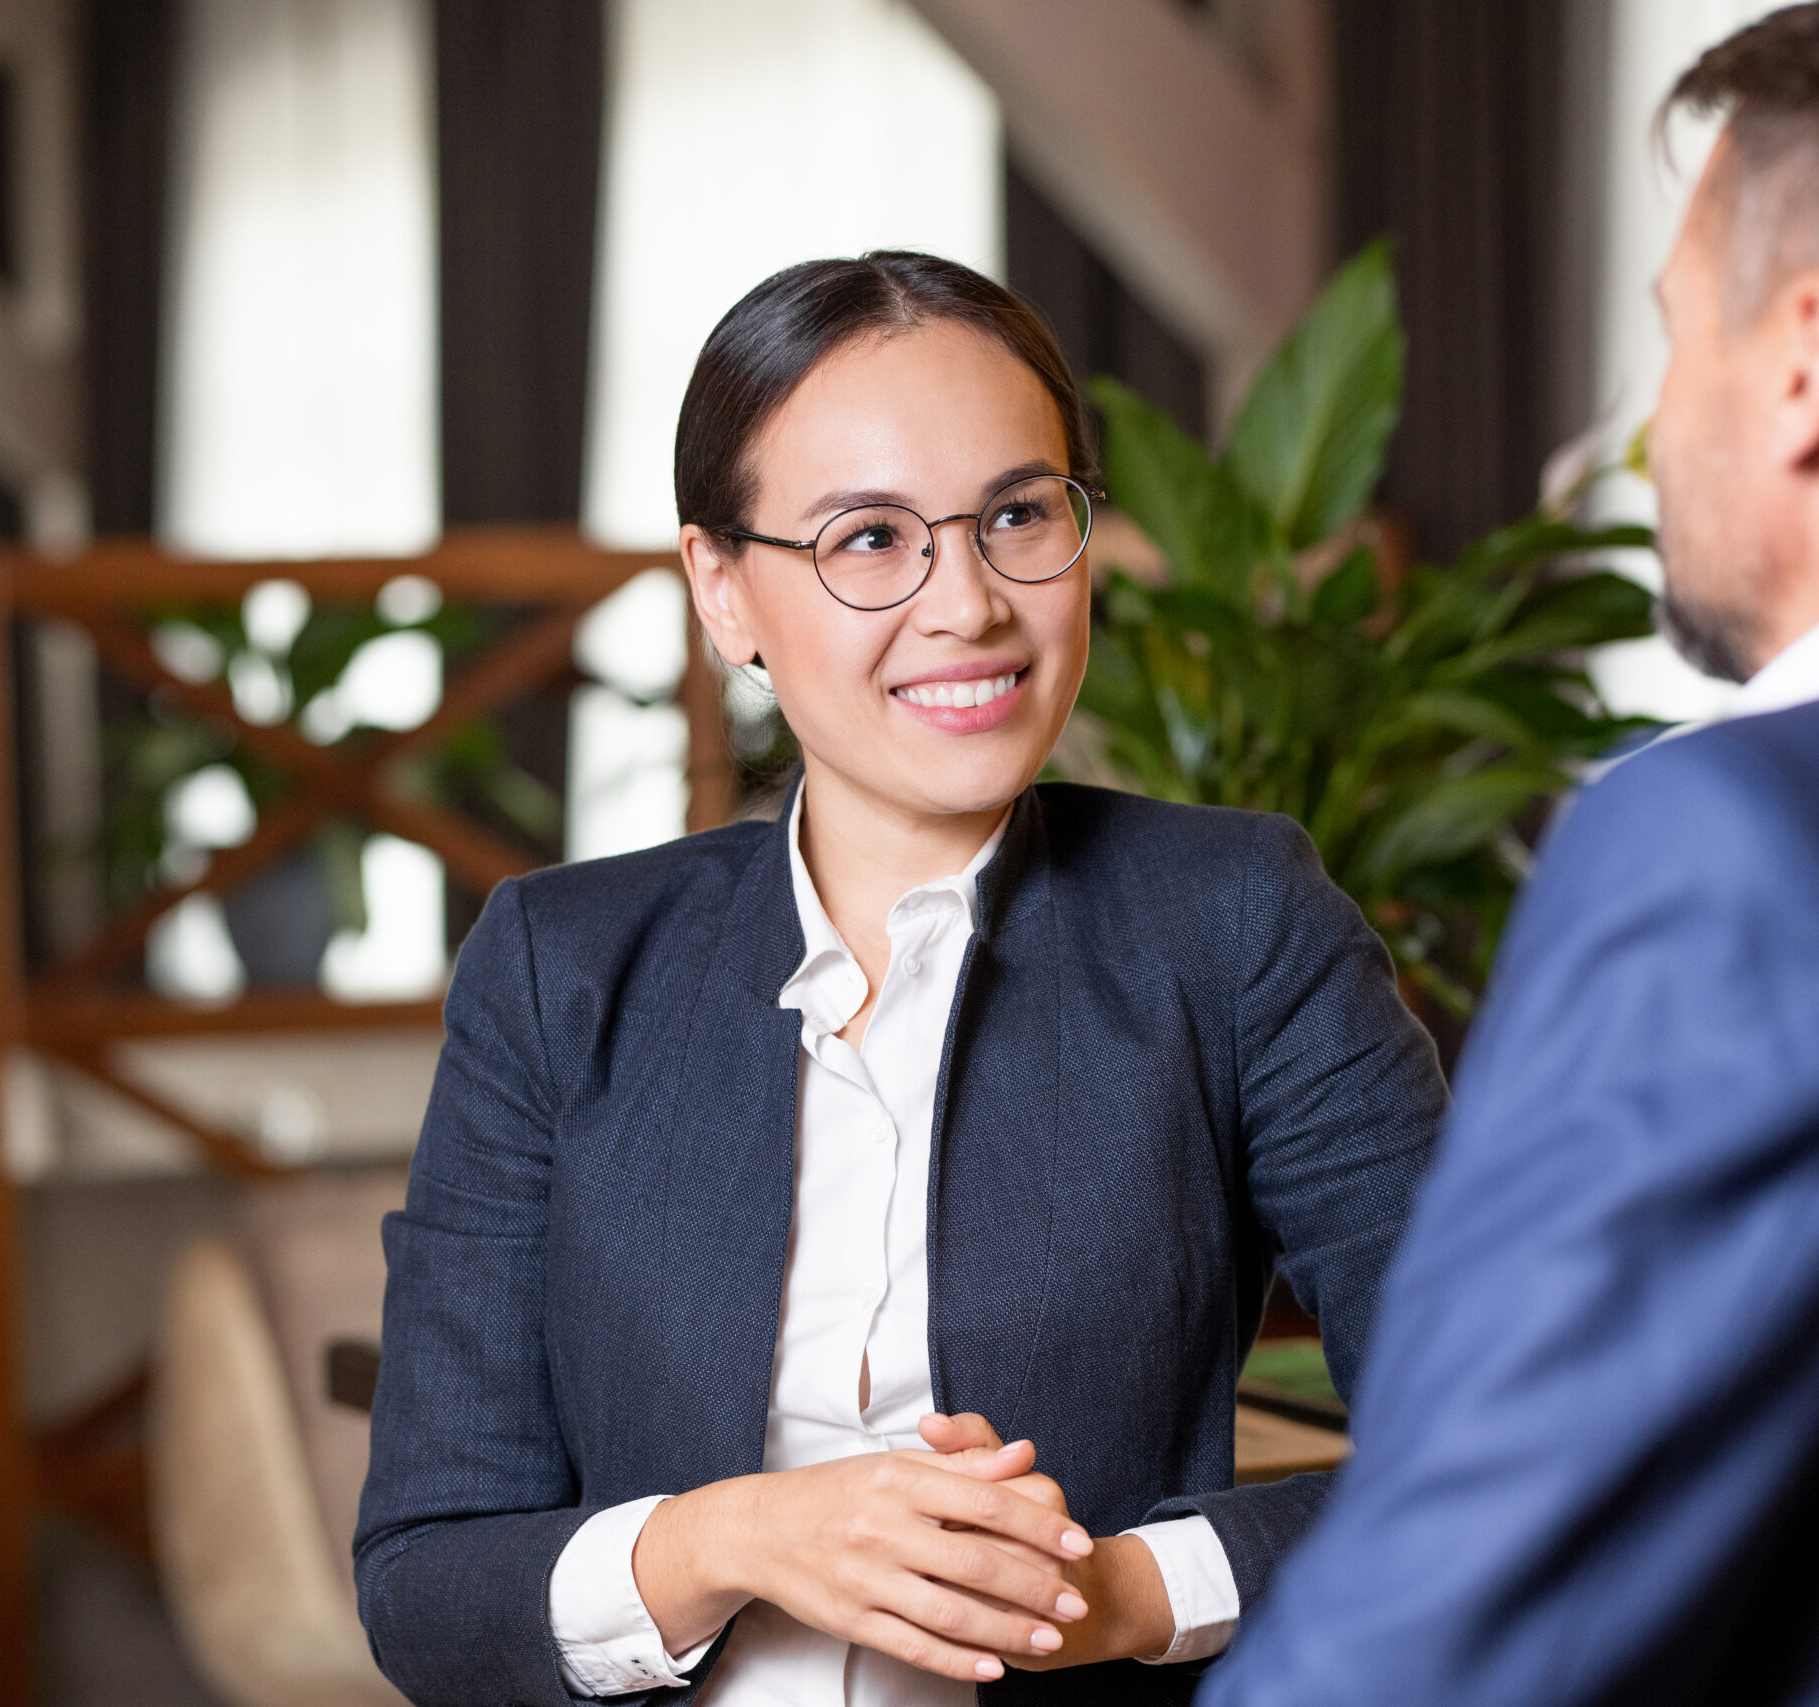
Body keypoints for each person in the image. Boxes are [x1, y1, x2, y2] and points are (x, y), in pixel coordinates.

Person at [1201, 2, 1819, 1703]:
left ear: (1813, 358)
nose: (1652, 431)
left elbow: (1445, 1653)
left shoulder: (1757, 849)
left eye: (1679, 340)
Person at [353, 252, 1446, 1707]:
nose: (969, 604)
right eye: (869, 539)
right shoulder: (560, 969)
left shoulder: (1236, 923)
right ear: (724, 591)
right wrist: (737, 1535)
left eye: (1016, 514)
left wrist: (1122, 1592)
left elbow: (1512, 1439)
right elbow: (429, 1584)